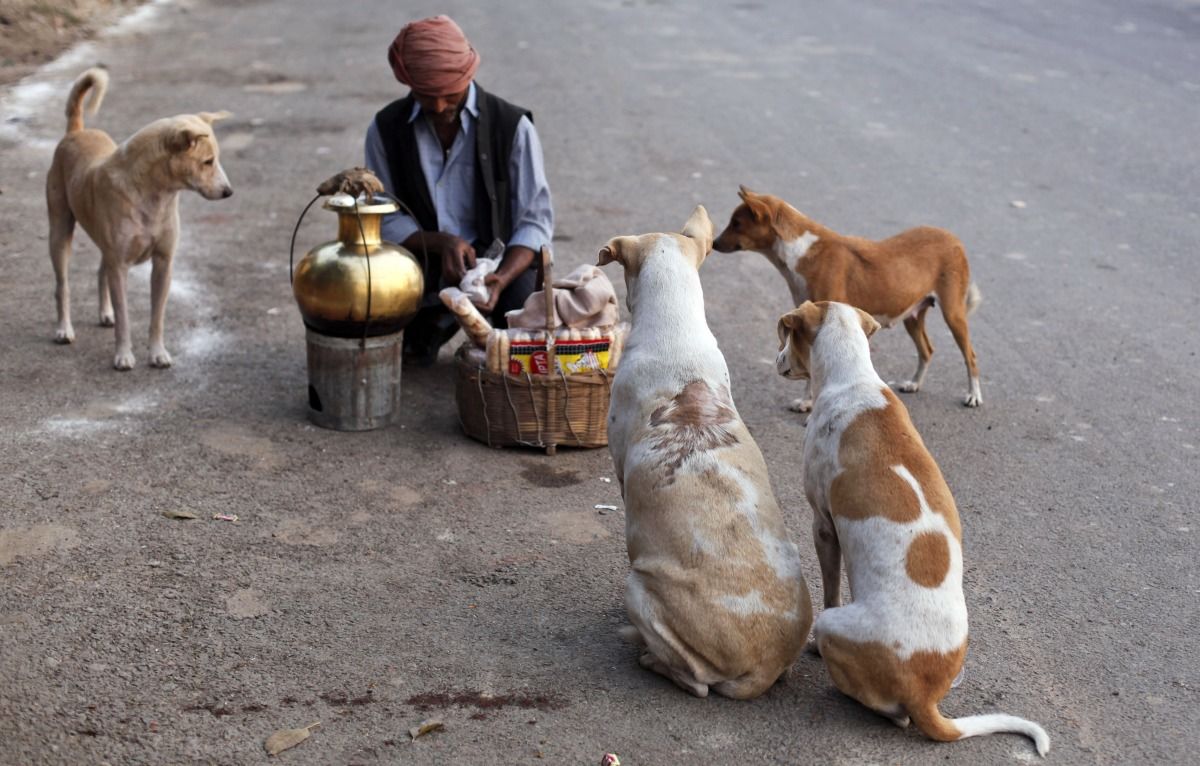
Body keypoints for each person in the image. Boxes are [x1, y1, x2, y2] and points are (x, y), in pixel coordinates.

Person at [364, 15, 554, 366]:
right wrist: (440, 243)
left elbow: (535, 222)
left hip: (498, 262)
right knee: (393, 336)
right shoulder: (386, 129)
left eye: (447, 95)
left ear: (467, 75)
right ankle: (435, 320)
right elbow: (383, 214)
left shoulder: (512, 127)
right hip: (422, 258)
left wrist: (501, 277)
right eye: (425, 96)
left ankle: (485, 311)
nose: (437, 107)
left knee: (520, 344)